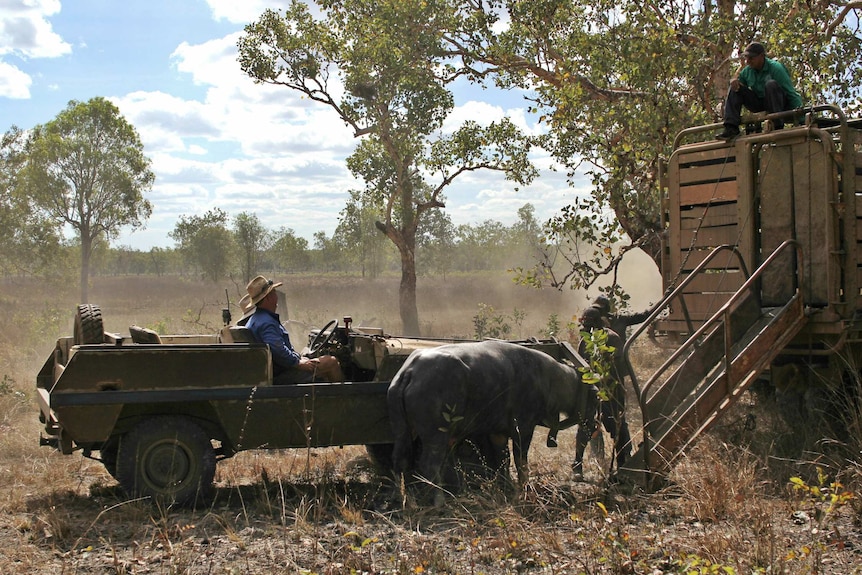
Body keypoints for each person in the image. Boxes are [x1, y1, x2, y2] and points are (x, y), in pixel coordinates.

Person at [243, 275, 343, 385]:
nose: (277, 297)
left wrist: (299, 358)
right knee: (331, 362)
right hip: (282, 374)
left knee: (317, 363)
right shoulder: (267, 323)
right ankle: (346, 400)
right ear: (268, 298)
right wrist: (298, 363)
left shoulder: (256, 319)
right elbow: (278, 349)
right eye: (274, 293)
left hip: (276, 369)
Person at [573, 306, 631, 476]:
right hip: (594, 391)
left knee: (617, 429)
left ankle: (622, 466)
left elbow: (621, 370)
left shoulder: (612, 339)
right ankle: (578, 464)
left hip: (611, 392)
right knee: (586, 427)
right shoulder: (587, 340)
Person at [716, 42, 803, 140]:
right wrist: (735, 82)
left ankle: (777, 126)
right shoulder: (747, 71)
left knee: (771, 85)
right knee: (735, 86)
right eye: (746, 58)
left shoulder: (776, 68)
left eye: (751, 58)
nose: (748, 61)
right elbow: (739, 91)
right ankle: (731, 128)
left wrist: (801, 119)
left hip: (779, 105)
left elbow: (791, 93)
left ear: (761, 56)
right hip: (759, 104)